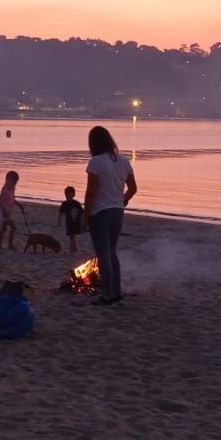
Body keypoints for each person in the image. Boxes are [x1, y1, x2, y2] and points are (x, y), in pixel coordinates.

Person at [81, 125, 137, 306]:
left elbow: (91, 192)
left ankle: (107, 295)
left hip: (100, 212)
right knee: (112, 252)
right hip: (117, 211)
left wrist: (84, 217)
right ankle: (116, 292)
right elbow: (133, 188)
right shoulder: (124, 161)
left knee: (103, 254)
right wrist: (124, 200)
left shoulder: (96, 162)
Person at [0, 171, 22, 249]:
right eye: (14, 181)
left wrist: (19, 204)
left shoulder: (13, 188)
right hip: (5, 212)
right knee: (13, 227)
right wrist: (3, 210)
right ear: (7, 180)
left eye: (16, 182)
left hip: (9, 211)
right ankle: (9, 245)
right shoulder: (5, 189)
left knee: (4, 228)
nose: (15, 183)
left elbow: (12, 199)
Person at [57, 186, 83, 253]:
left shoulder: (76, 203)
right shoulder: (64, 204)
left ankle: (73, 249)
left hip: (76, 222)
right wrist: (59, 220)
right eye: (67, 194)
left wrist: (83, 221)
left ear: (73, 195)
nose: (68, 196)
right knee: (72, 236)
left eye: (70, 194)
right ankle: (73, 248)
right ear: (65, 195)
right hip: (68, 222)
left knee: (72, 236)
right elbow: (61, 213)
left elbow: (82, 212)